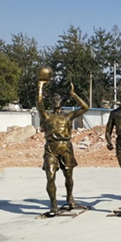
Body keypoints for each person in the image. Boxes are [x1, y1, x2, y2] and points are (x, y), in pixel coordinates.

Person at [37, 81, 89, 216]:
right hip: (51, 148)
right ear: (50, 102)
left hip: (66, 147)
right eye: (53, 100)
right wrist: (40, 87)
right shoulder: (47, 116)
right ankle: (53, 205)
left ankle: (70, 197)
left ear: (62, 102)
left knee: (68, 175)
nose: (56, 101)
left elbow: (85, 107)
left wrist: (73, 94)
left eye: (58, 99)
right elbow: (39, 104)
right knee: (50, 177)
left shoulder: (68, 116)